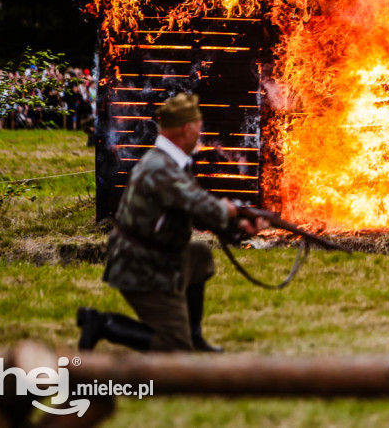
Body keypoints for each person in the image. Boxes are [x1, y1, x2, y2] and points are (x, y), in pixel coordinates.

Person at [77, 93, 267, 352]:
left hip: (155, 254)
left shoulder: (169, 162)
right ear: (186, 128)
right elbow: (198, 203)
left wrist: (238, 228)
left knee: (198, 256)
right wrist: (229, 211)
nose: (200, 135)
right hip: (140, 265)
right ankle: (101, 323)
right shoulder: (160, 168)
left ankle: (194, 337)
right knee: (175, 346)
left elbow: (193, 211)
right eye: (198, 128)